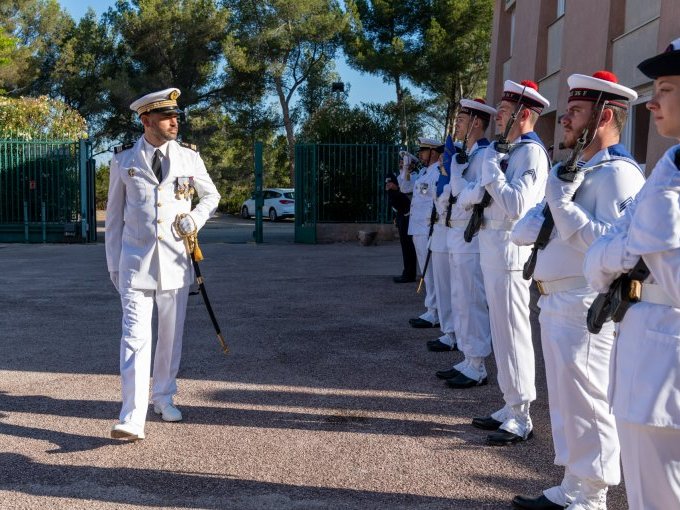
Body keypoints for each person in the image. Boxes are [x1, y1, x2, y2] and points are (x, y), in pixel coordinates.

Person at [511, 72, 644, 510]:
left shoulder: (620, 175)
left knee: (590, 404)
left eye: (576, 111)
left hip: (587, 303)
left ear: (604, 116)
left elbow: (621, 246)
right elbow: (523, 231)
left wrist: (564, 208)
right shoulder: (574, 169)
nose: (564, 118)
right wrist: (552, 202)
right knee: (568, 403)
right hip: (555, 301)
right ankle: (573, 485)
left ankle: (593, 497)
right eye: (568, 109)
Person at [583, 38, 680, 510]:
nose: (653, 101)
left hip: (669, 369)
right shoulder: (669, 167)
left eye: (665, 88)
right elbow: (601, 255)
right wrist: (640, 240)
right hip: (646, 355)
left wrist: (648, 232)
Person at [105, 88, 221, 440]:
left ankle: (164, 396)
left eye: (176, 117)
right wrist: (114, 265)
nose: (175, 122)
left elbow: (211, 195)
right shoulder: (124, 160)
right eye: (167, 117)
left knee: (170, 336)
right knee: (134, 338)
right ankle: (131, 415)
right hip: (134, 262)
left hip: (173, 261)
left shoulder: (188, 157)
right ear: (146, 121)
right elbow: (113, 218)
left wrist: (195, 219)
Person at [458, 80, 550, 445]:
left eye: (506, 113)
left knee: (513, 334)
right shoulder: (510, 150)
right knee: (501, 332)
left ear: (524, 115)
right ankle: (510, 403)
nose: (499, 117)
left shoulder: (531, 154)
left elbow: (516, 205)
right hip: (494, 250)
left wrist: (492, 173)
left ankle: (522, 414)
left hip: (511, 255)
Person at [434, 98, 495, 386]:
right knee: (460, 298)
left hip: (471, 234)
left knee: (472, 299)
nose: (457, 124)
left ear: (477, 123)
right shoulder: (468, 153)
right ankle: (468, 357)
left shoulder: (484, 155)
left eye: (462, 119)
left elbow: (474, 196)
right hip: (457, 233)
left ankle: (478, 365)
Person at [399, 137, 444, 329]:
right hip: (418, 228)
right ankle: (431, 309)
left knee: (431, 272)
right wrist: (405, 170)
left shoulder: (436, 173)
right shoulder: (425, 172)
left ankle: (434, 313)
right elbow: (405, 187)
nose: (420, 154)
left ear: (433, 152)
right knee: (427, 273)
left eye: (423, 151)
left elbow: (431, 194)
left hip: (427, 228)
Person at [386, 156, 417, 283]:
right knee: (405, 245)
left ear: (412, 165)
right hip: (401, 215)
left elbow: (405, 191)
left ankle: (410, 274)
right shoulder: (399, 176)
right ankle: (408, 272)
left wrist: (397, 188)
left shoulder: (415, 176)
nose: (402, 165)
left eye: (404, 163)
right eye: (401, 162)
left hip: (410, 214)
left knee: (410, 246)